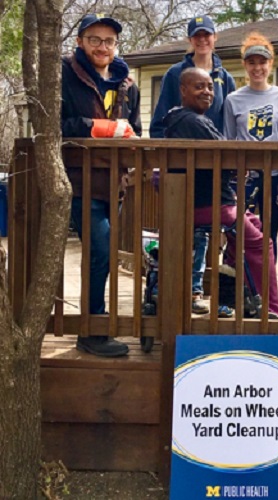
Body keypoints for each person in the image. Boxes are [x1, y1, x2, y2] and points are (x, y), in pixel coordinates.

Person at [164, 67, 278, 319]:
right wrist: (241, 167)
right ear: (183, 90)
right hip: (210, 204)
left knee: (253, 225)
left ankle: (235, 298)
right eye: (199, 87)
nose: (206, 92)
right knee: (261, 243)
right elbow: (229, 160)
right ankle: (269, 309)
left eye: (209, 87)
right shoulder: (192, 122)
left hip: (211, 201)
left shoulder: (181, 120)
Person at [61, 13, 142, 357]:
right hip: (79, 180)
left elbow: (134, 128)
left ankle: (95, 323)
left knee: (101, 254)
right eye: (94, 39)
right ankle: (92, 330)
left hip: (115, 182)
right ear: (80, 41)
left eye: (108, 41)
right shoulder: (65, 73)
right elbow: (56, 123)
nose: (102, 47)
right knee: (101, 251)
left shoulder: (128, 84)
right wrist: (100, 128)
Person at [150, 14, 235, 313]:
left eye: (207, 34)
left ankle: (213, 294)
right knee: (183, 233)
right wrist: (163, 163)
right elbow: (162, 120)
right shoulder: (176, 73)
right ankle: (168, 291)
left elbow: (229, 122)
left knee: (212, 235)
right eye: (196, 35)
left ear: (214, 38)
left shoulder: (225, 76)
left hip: (216, 167)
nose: (202, 40)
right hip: (183, 167)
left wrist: (231, 162)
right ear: (190, 40)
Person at [223, 32, 278, 260]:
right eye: (251, 62)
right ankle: (239, 287)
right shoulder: (233, 99)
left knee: (269, 234)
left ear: (270, 64)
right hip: (243, 178)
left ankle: (267, 287)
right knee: (238, 231)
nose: (257, 68)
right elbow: (228, 139)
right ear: (244, 65)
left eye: (262, 62)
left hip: (273, 178)